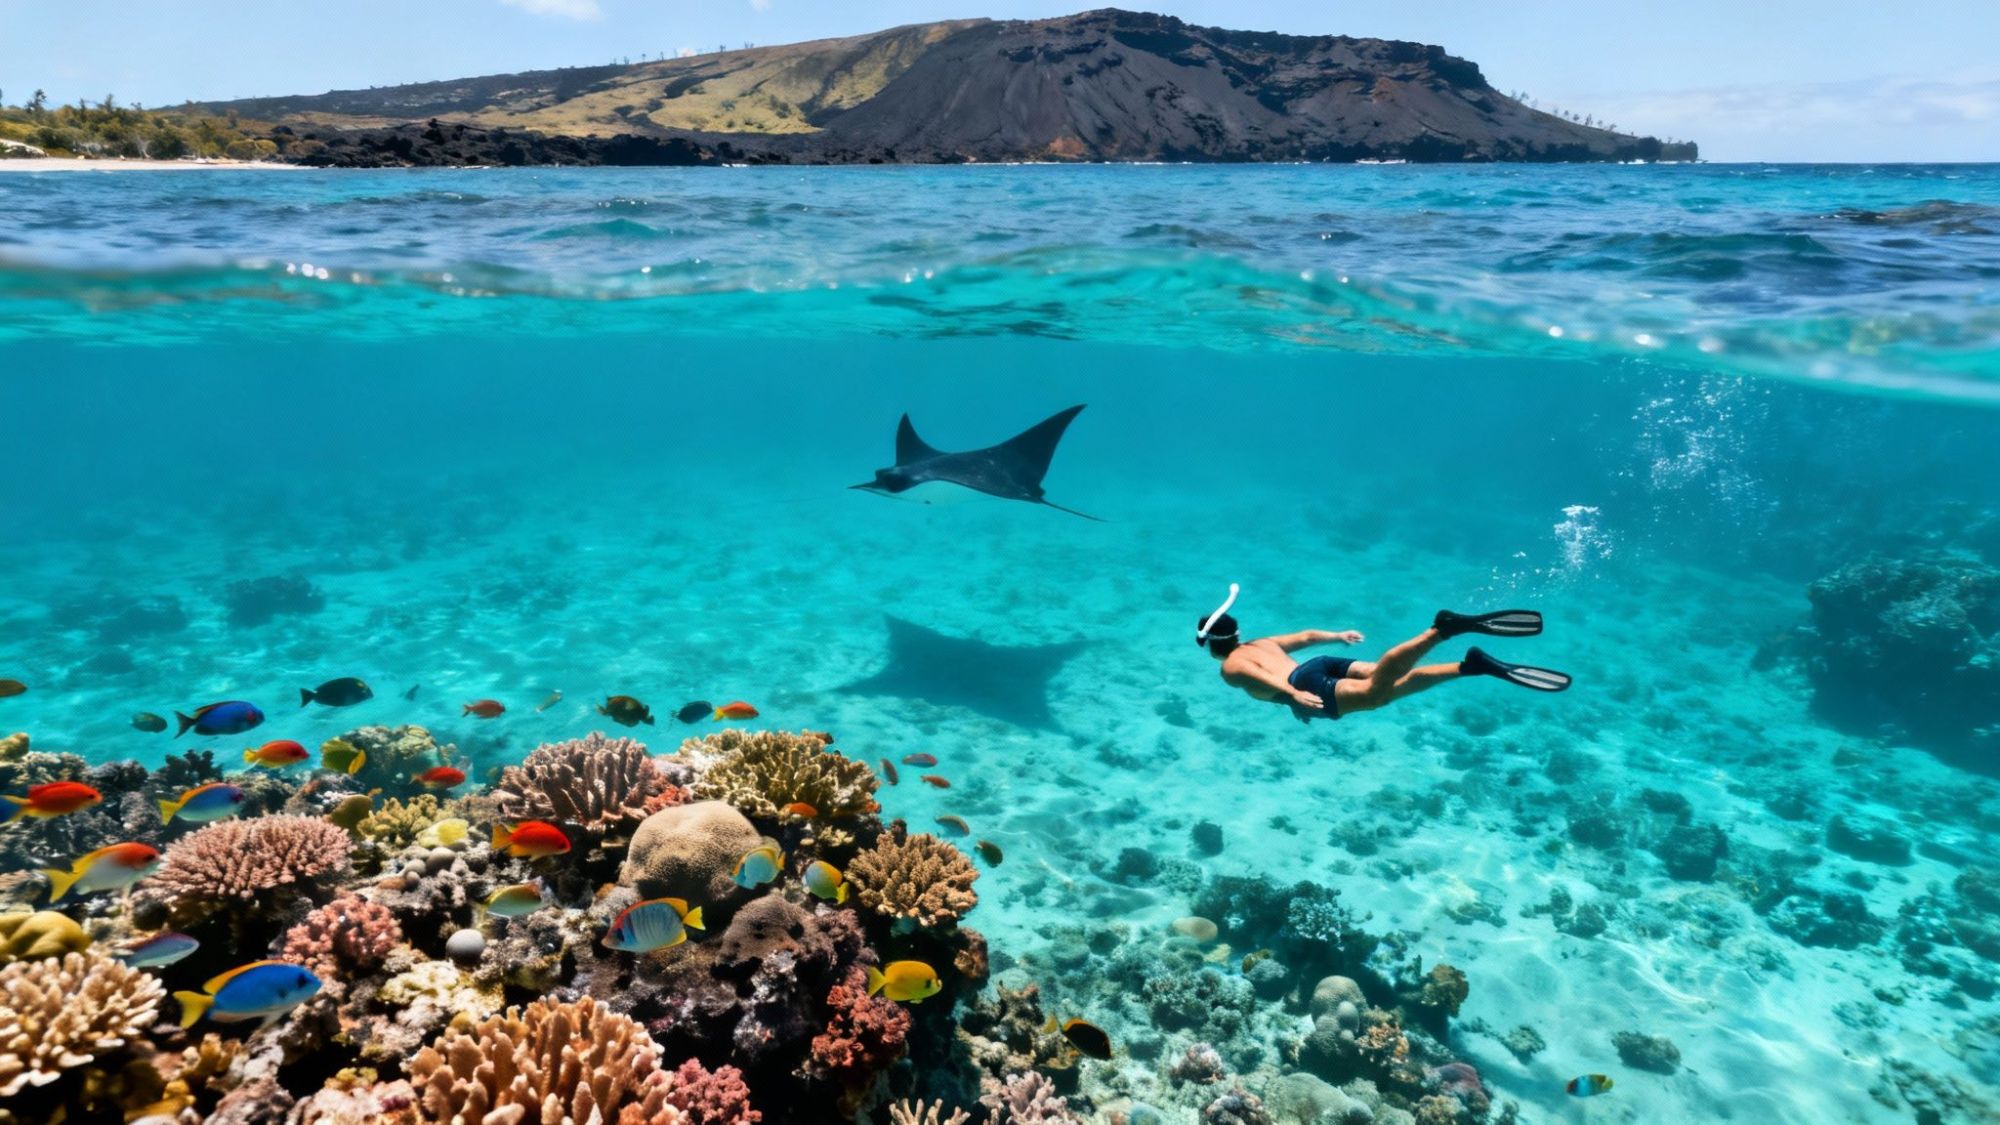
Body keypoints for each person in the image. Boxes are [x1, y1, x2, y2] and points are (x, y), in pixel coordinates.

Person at [1196, 602, 1569, 722]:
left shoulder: (1228, 667)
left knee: (1376, 695)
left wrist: (1293, 694)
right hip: (1319, 665)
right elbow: (1307, 637)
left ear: (1209, 644)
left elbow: (1251, 675)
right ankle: (1472, 666)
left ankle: (1441, 631)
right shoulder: (1260, 642)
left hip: (1306, 685)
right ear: (1236, 634)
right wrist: (1338, 635)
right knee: (1385, 679)